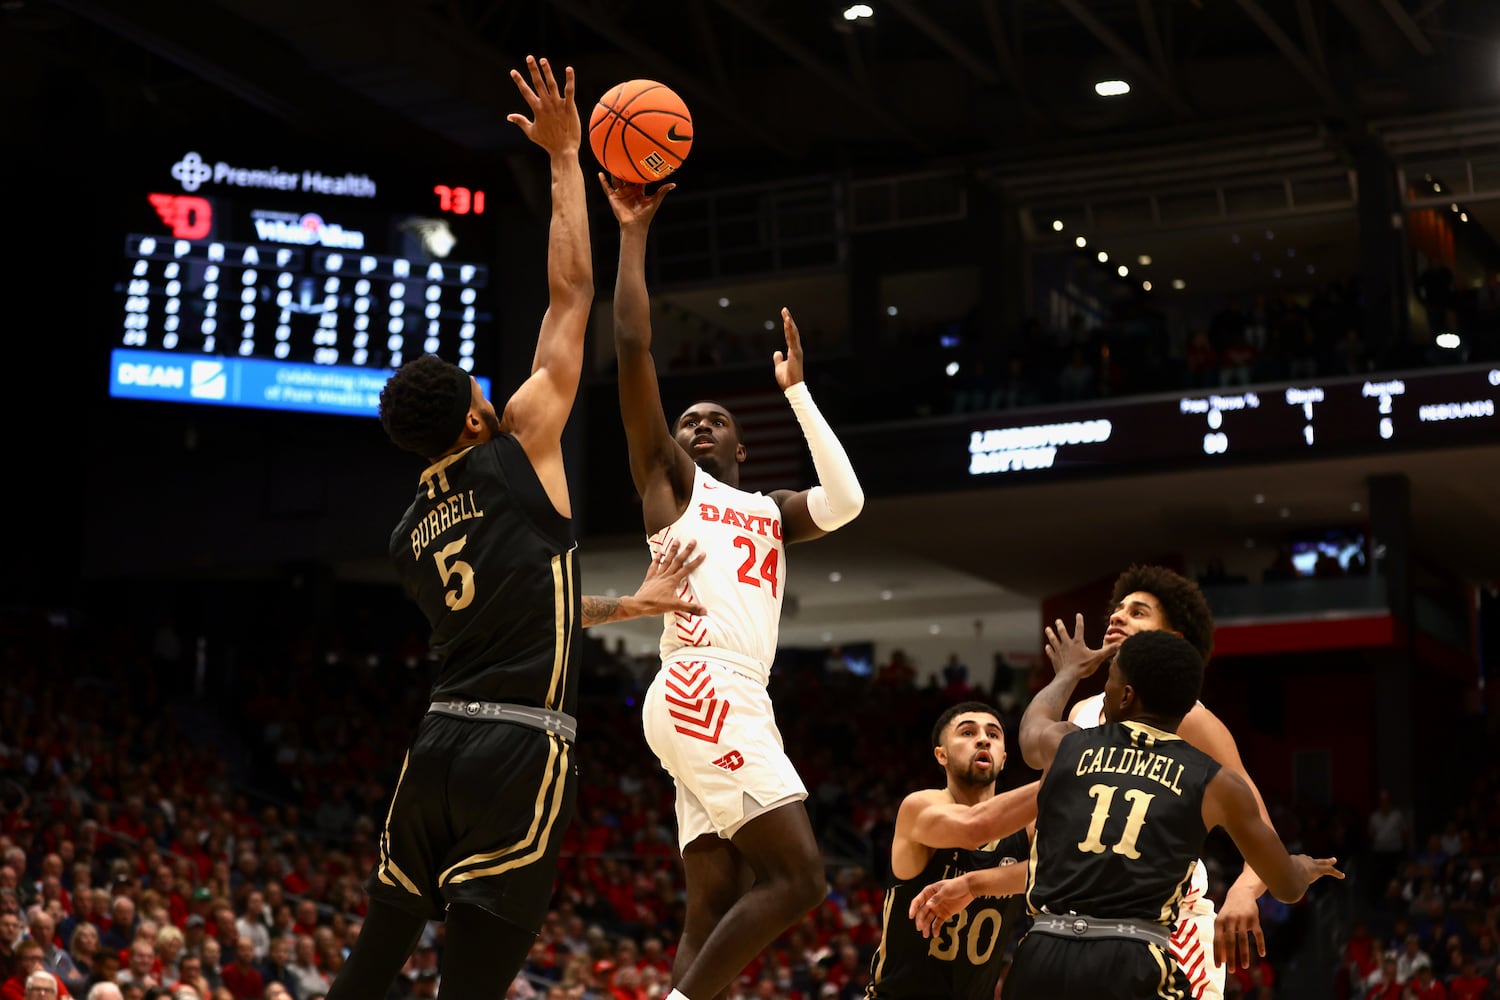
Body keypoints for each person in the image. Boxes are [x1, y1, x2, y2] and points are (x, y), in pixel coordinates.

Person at [323, 56, 707, 1000]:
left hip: (437, 745)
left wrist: (633, 600)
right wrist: (569, 160)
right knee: (473, 986)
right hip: (518, 750)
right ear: (470, 419)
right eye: (482, 393)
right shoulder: (519, 443)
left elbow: (525, 611)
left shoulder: (409, 532)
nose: (498, 393)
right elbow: (570, 297)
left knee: (370, 965)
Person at [601, 176, 866, 1000]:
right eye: (688, 421)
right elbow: (634, 349)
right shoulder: (672, 484)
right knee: (801, 879)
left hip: (738, 691)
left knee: (710, 905)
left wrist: (797, 392)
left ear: (743, 448)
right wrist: (634, 236)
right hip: (700, 681)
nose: (698, 426)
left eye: (716, 420)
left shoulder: (769, 509)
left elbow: (848, 501)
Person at [1005, 625, 1342, 998]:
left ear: (1126, 696)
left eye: (1110, 684)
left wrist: (1068, 672)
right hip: (1130, 961)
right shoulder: (1216, 783)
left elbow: (1031, 726)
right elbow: (1287, 886)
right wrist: (1304, 867)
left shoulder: (1066, 743)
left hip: (1041, 952)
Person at [1063, 564, 1285, 998]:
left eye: (1138, 612)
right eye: (1118, 608)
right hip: (1088, 928)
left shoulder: (1193, 720)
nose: (1117, 616)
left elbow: (1263, 831)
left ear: (1172, 641)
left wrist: (1242, 893)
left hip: (1171, 931)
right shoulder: (1081, 716)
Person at [865, 702, 1039, 999]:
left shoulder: (1027, 829)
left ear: (1004, 758)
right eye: (968, 732)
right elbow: (975, 828)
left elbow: (1061, 869)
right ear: (941, 754)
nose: (983, 739)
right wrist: (1070, 774)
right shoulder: (920, 807)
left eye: (994, 735)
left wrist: (975, 885)